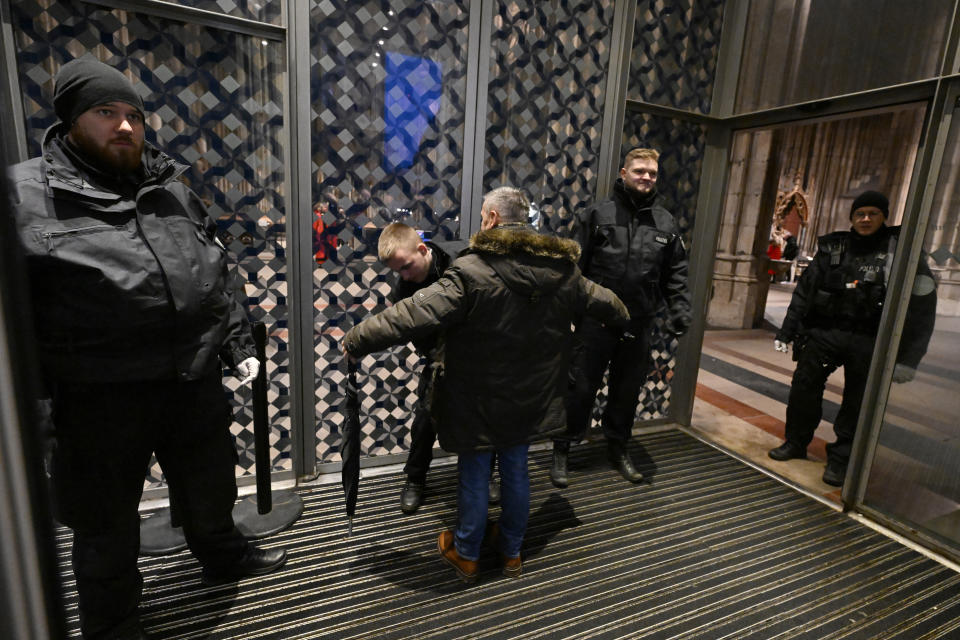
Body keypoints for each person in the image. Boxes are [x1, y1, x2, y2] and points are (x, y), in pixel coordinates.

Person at [8, 58, 287, 639]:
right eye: (106, 113)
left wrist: (235, 342)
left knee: (210, 482)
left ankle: (222, 555)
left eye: (134, 114)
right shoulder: (22, 196)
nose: (126, 126)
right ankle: (113, 623)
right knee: (105, 522)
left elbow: (215, 274)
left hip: (190, 378)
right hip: (98, 396)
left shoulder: (171, 189)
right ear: (71, 120)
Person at [343, 187, 628, 583]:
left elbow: (410, 315)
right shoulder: (564, 271)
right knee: (516, 470)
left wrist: (356, 339)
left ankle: (467, 553)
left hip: (479, 397)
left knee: (475, 473)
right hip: (533, 396)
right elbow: (611, 305)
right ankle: (512, 552)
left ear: (493, 219)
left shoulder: (472, 271)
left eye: (481, 216)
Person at [768, 190, 937, 486]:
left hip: (869, 338)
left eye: (873, 213)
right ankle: (796, 442)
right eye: (860, 214)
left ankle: (840, 459)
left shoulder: (901, 251)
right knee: (804, 388)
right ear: (852, 218)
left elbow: (922, 310)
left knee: (857, 402)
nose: (866, 219)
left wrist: (909, 359)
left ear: (884, 216)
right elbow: (805, 293)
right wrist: (787, 331)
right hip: (825, 333)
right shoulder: (834, 247)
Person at [550, 147, 691, 488]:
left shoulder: (665, 222)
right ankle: (563, 451)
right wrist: (566, 317)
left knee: (627, 392)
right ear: (623, 174)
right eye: (640, 170)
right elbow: (573, 269)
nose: (646, 177)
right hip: (595, 322)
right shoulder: (597, 214)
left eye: (652, 173)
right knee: (580, 390)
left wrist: (679, 310)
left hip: (638, 323)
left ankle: (618, 447)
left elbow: (677, 272)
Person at [377, 222, 498, 514]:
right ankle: (415, 479)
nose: (404, 275)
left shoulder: (464, 259)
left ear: (423, 249)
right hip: (440, 358)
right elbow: (403, 325)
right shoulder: (405, 285)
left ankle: (486, 476)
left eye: (406, 267)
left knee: (485, 421)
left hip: (478, 353)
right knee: (426, 420)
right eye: (398, 271)